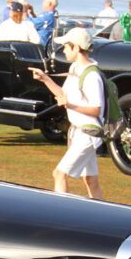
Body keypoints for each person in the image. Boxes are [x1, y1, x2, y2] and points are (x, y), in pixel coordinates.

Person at [30, 27, 105, 199]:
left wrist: (70, 105)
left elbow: (96, 109)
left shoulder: (92, 76)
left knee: (59, 173)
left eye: (66, 46)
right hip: (79, 132)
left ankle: (60, 215)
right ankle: (103, 218)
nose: (63, 49)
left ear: (77, 48)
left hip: (88, 133)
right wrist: (45, 79)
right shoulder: (74, 68)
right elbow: (62, 96)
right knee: (91, 179)